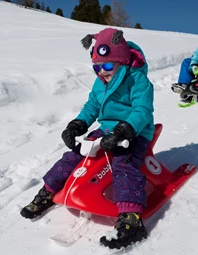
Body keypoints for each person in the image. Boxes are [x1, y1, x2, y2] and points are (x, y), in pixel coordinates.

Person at [20, 28, 155, 249]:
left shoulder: (138, 80)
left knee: (124, 163)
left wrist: (125, 130)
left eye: (108, 66)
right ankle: (47, 192)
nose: (102, 72)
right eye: (97, 67)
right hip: (106, 129)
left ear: (121, 61)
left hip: (134, 130)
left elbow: (142, 110)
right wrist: (78, 124)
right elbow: (92, 106)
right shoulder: (101, 82)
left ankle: (131, 219)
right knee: (74, 156)